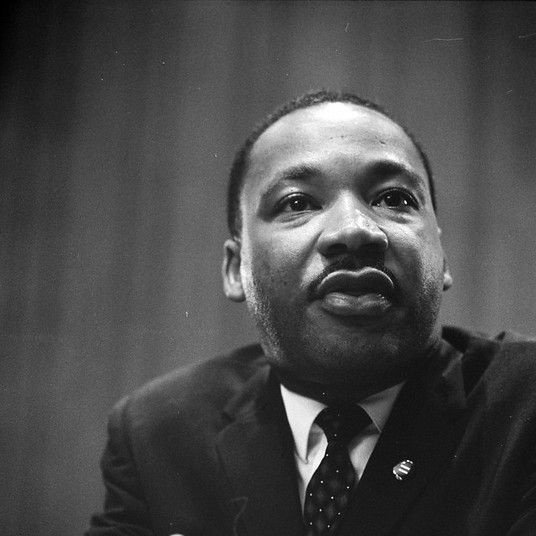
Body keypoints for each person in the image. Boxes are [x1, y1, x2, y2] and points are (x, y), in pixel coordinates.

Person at [86, 90, 536, 536]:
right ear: (234, 270)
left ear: (443, 257)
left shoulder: (525, 407)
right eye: (297, 203)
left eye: (395, 198)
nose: (354, 230)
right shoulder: (158, 434)